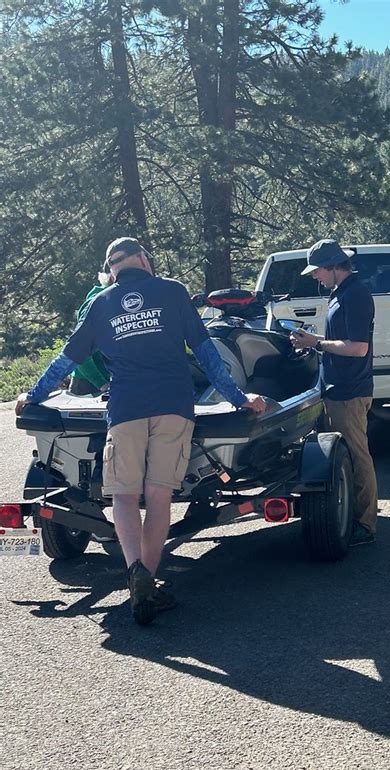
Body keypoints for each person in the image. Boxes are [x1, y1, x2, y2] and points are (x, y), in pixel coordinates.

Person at [16, 237, 266, 624]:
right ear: (144, 261)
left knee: (123, 497)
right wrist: (238, 399)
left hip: (126, 410)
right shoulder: (172, 291)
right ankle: (146, 581)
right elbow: (206, 352)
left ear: (112, 270)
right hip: (173, 408)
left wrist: (31, 395)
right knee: (160, 496)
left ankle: (136, 572)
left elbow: (68, 358)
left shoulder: (101, 304)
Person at [291, 238, 377, 546]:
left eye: (317, 271)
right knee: (347, 457)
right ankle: (353, 517)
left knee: (357, 455)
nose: (315, 276)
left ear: (332, 267)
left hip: (349, 391)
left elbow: (358, 348)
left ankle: (365, 525)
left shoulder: (355, 295)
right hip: (337, 389)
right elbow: (343, 342)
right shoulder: (343, 293)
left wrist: (316, 343)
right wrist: (315, 341)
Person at [69, 265, 113, 396]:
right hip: (87, 384)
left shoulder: (118, 302)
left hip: (110, 381)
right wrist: (102, 384)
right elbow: (79, 352)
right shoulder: (96, 304)